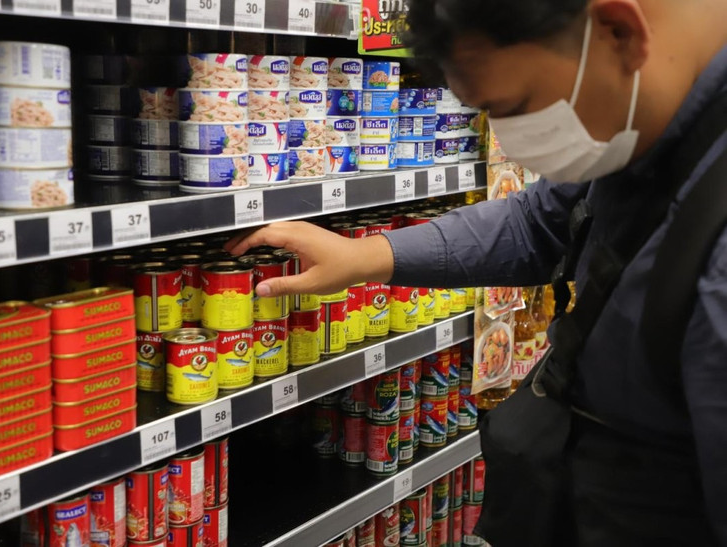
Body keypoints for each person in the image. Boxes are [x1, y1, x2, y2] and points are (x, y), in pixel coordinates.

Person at [227, 0, 727, 544]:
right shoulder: (645, 112)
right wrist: (366, 256)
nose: (511, 140)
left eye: (517, 105)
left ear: (618, 31)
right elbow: (541, 220)